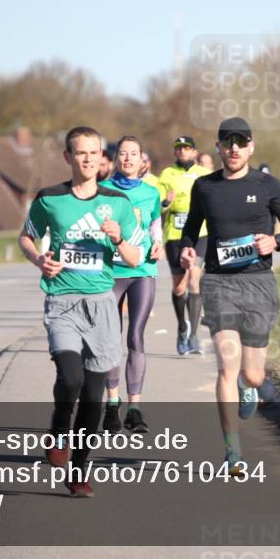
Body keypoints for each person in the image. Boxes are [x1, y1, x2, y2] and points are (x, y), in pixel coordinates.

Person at [18, 126, 140, 498]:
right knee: (69, 378)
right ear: (68, 157)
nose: (88, 159)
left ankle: (79, 470)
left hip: (103, 306)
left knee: (92, 396)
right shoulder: (50, 199)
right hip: (62, 302)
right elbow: (25, 237)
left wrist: (118, 238)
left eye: (94, 152)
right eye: (80, 153)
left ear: (102, 157)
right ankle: (58, 431)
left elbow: (135, 258)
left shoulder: (118, 202)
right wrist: (39, 258)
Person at [180, 117, 280, 474]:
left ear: (251, 146)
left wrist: (275, 241)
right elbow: (190, 231)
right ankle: (232, 451)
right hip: (219, 285)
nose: (233, 148)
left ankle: (250, 388)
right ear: (217, 147)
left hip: (259, 284)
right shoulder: (204, 187)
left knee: (254, 374)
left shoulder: (268, 185)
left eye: (240, 141)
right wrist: (187, 251)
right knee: (226, 367)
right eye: (226, 142)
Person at [99, 136, 163, 435]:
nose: (127, 159)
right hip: (111, 272)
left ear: (142, 161)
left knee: (136, 336)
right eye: (122, 154)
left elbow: (154, 224)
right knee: (111, 337)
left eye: (133, 154)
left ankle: (134, 409)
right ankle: (112, 403)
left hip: (142, 270)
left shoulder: (151, 192)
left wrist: (159, 243)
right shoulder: (103, 191)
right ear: (115, 160)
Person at [158, 135, 210, 355]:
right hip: (175, 235)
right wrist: (167, 202)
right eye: (178, 148)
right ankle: (182, 327)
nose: (182, 151)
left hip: (200, 234)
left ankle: (194, 335)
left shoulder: (205, 174)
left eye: (187, 148)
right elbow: (159, 207)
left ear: (194, 152)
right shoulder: (167, 174)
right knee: (179, 287)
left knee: (194, 281)